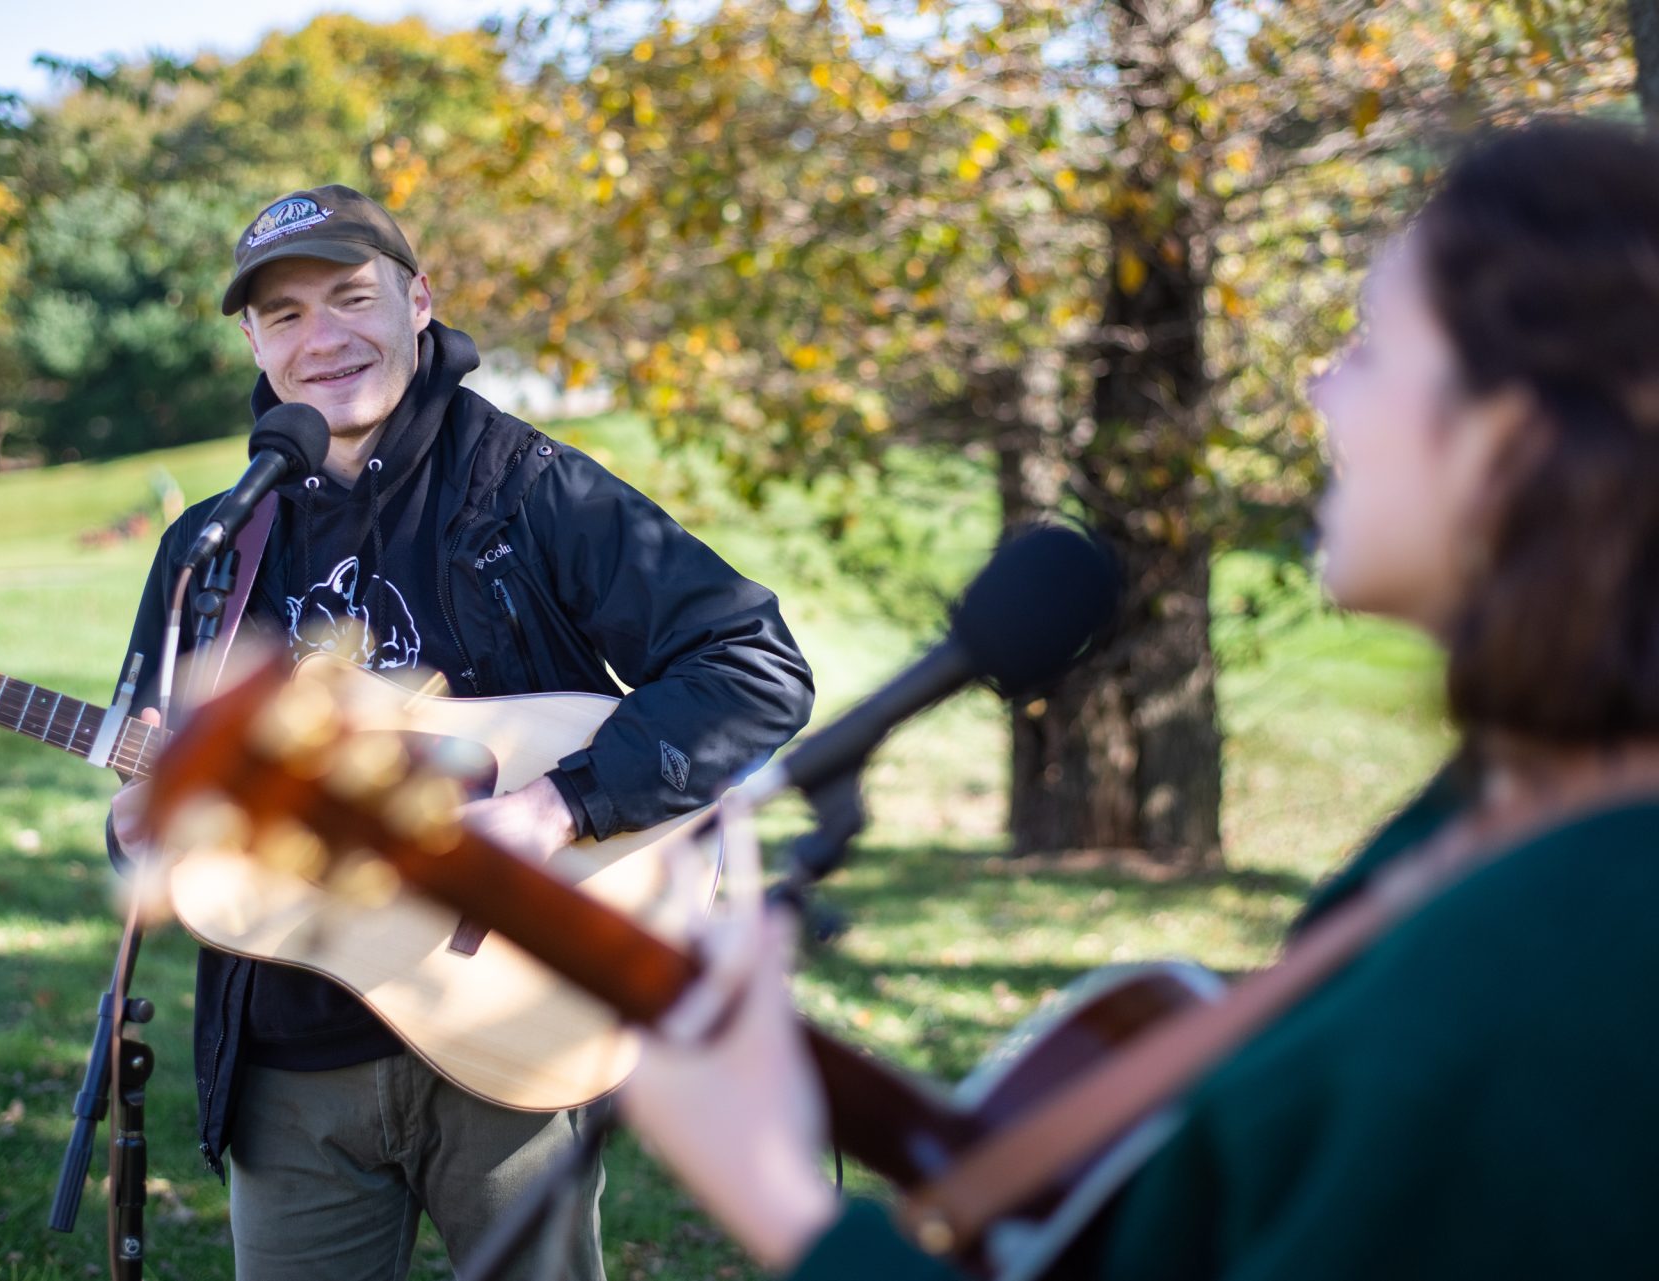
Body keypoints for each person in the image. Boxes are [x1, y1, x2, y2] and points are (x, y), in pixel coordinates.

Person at [617, 118, 1659, 1280]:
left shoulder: (1581, 952)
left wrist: (781, 1207)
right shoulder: (1502, 820)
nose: (1318, 387)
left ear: (1507, 431)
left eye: (1368, 347)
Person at [103, 184, 815, 1280]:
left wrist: (553, 808)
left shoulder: (531, 488)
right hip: (291, 1056)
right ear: (251, 338)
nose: (323, 338)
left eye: (350, 297)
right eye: (285, 315)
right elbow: (163, 787)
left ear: (419, 299)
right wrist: (141, 824)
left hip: (515, 1030)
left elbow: (751, 667)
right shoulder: (213, 544)